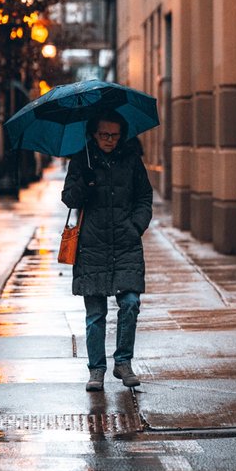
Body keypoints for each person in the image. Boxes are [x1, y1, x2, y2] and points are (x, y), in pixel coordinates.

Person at [61, 111, 153, 391]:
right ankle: (96, 369)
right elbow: (69, 199)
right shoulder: (81, 160)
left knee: (130, 303)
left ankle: (123, 362)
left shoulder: (131, 160)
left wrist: (136, 225)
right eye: (104, 135)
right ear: (93, 134)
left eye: (114, 135)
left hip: (125, 243)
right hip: (92, 245)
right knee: (95, 313)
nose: (109, 140)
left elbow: (144, 197)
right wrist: (84, 183)